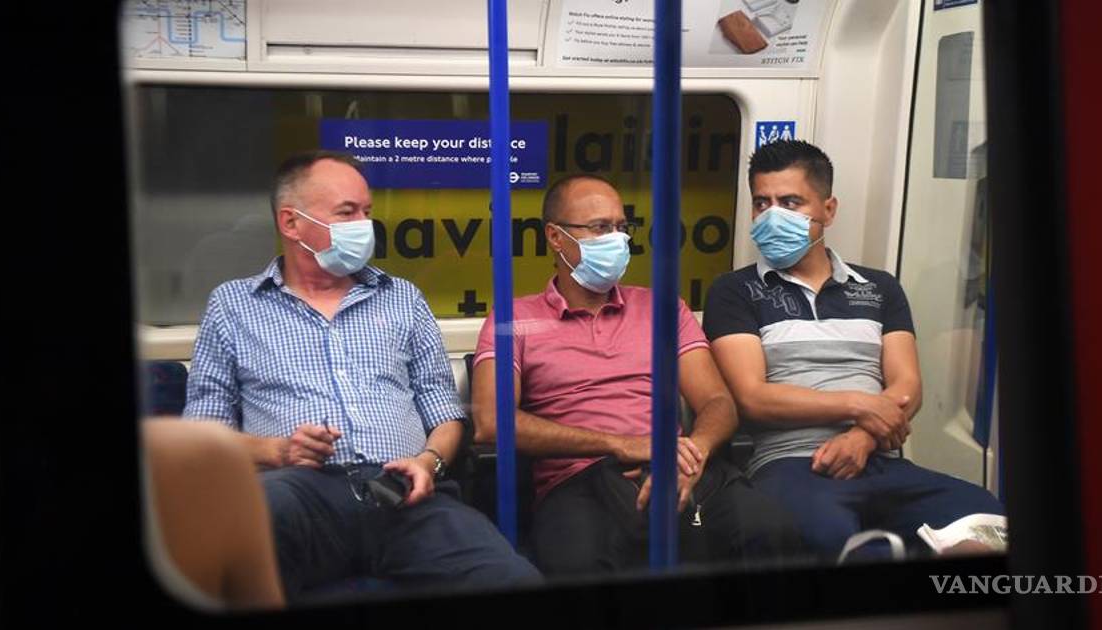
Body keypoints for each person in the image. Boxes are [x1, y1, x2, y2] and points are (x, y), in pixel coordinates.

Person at [183, 150, 540, 601]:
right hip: (295, 491)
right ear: (291, 223)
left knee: (512, 579)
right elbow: (203, 437)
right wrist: (279, 451)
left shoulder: (402, 298)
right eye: (347, 212)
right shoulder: (233, 307)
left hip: (404, 490)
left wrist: (428, 462)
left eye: (367, 212)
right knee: (235, 561)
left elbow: (446, 415)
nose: (364, 226)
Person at [471, 174, 800, 576]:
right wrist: (621, 445)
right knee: (580, 564)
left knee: (773, 531)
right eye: (600, 228)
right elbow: (491, 422)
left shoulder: (662, 308)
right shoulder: (514, 319)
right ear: (556, 238)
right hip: (580, 478)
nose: (617, 239)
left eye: (621, 227)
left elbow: (718, 403)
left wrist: (691, 457)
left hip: (679, 465)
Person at [703, 139, 1005, 561]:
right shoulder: (735, 291)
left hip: (881, 458)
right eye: (761, 203)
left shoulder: (879, 287)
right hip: (793, 465)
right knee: (839, 546)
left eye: (790, 203)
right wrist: (861, 405)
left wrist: (863, 436)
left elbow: (907, 386)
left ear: (828, 210)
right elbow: (753, 398)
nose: (772, 216)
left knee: (987, 526)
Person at [143, 419, 285, 610]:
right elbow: (198, 440)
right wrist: (274, 448)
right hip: (281, 475)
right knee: (273, 503)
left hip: (304, 477)